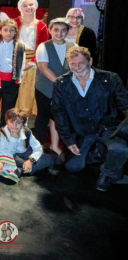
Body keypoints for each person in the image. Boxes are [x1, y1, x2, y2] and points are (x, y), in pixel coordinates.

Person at [52, 46, 128, 191]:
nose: (77, 68)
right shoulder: (61, 83)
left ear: (90, 61)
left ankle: (107, 174)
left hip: (108, 128)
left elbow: (125, 103)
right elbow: (59, 113)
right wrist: (68, 140)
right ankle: (98, 153)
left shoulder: (110, 78)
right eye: (72, 64)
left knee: (120, 149)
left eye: (81, 63)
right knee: (72, 167)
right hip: (82, 131)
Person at [34, 17, 75, 155]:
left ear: (67, 32)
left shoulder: (73, 46)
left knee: (58, 118)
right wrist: (61, 83)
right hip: (45, 88)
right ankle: (38, 147)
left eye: (63, 30)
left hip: (64, 89)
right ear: (50, 31)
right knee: (43, 117)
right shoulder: (43, 46)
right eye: (56, 30)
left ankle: (54, 146)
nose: (59, 33)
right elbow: (43, 67)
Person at [14, 0, 49, 116]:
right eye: (25, 5)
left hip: (32, 62)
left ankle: (25, 118)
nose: (28, 7)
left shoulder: (42, 26)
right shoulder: (14, 22)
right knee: (13, 90)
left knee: (28, 90)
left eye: (31, 5)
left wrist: (31, 62)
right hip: (15, 59)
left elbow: (42, 46)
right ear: (20, 7)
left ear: (36, 6)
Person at [0, 108, 54, 177]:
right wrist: (13, 138)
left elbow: (38, 148)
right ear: (6, 121)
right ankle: (28, 169)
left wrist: (30, 161)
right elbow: (7, 153)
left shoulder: (26, 132)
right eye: (11, 122)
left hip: (25, 155)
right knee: (5, 160)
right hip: (9, 156)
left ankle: (21, 170)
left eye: (18, 123)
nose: (15, 126)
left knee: (48, 158)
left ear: (23, 124)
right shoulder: (0, 133)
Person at [0, 19, 26, 127]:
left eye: (11, 30)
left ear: (15, 32)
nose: (8, 33)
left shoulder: (20, 47)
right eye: (5, 30)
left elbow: (22, 65)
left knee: (8, 109)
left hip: (11, 82)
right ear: (0, 31)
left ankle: (3, 128)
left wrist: (18, 80)